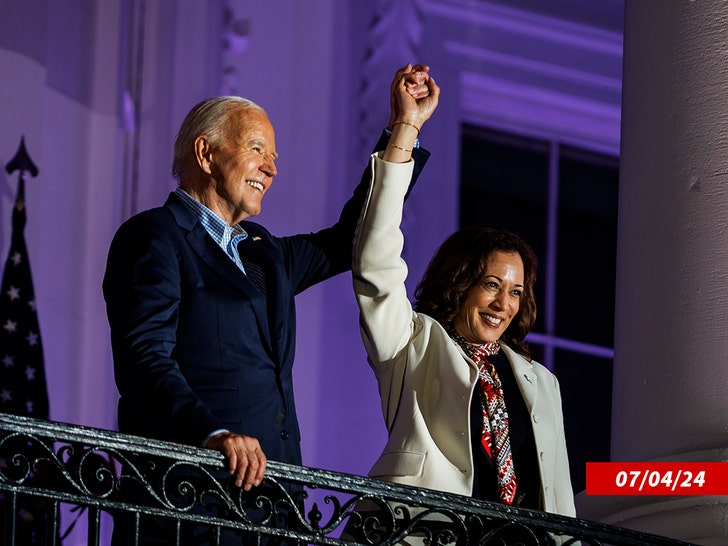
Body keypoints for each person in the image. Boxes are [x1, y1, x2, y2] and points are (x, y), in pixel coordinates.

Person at [102, 64, 432, 544]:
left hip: (274, 507)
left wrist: (405, 128)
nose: (271, 169)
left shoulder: (263, 250)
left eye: (273, 157)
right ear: (206, 153)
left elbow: (348, 239)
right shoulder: (155, 238)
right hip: (191, 500)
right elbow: (145, 362)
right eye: (257, 150)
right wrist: (212, 435)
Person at [348, 67, 575, 541]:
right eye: (491, 285)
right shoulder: (412, 346)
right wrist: (406, 127)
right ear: (459, 283)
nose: (503, 304)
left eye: (515, 292)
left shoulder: (542, 384)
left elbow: (559, 500)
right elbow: (375, 259)